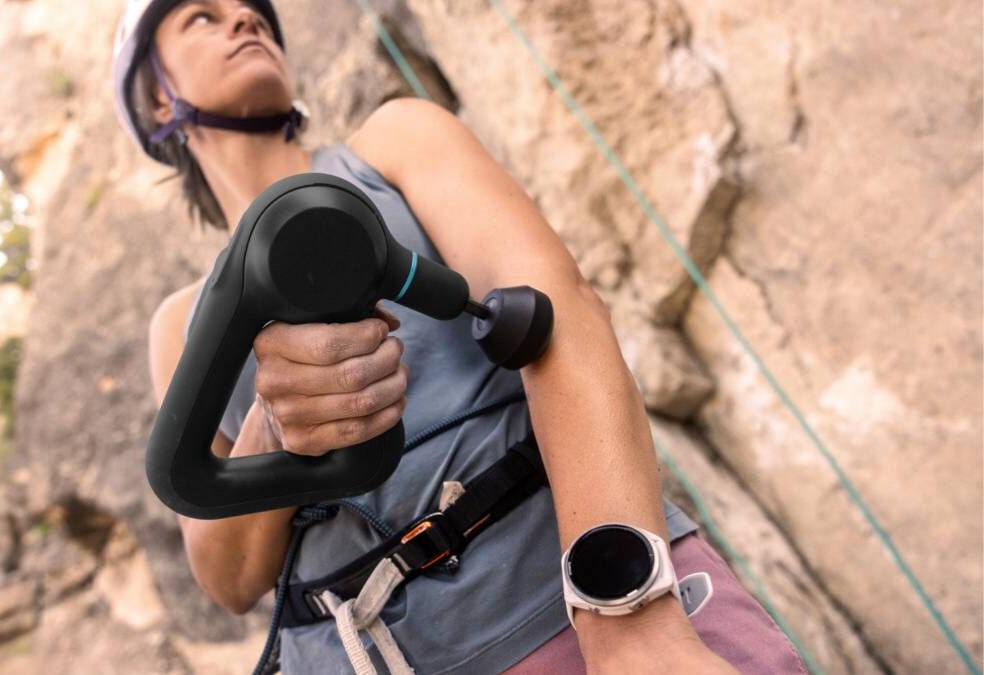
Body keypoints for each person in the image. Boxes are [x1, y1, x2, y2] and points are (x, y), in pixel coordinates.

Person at [120, 1, 809, 673]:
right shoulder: (181, 325)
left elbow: (555, 310)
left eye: (254, 13)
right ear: (158, 101)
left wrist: (627, 613)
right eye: (201, 17)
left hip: (559, 600)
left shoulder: (396, 143)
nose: (245, 18)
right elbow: (231, 575)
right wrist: (273, 425)